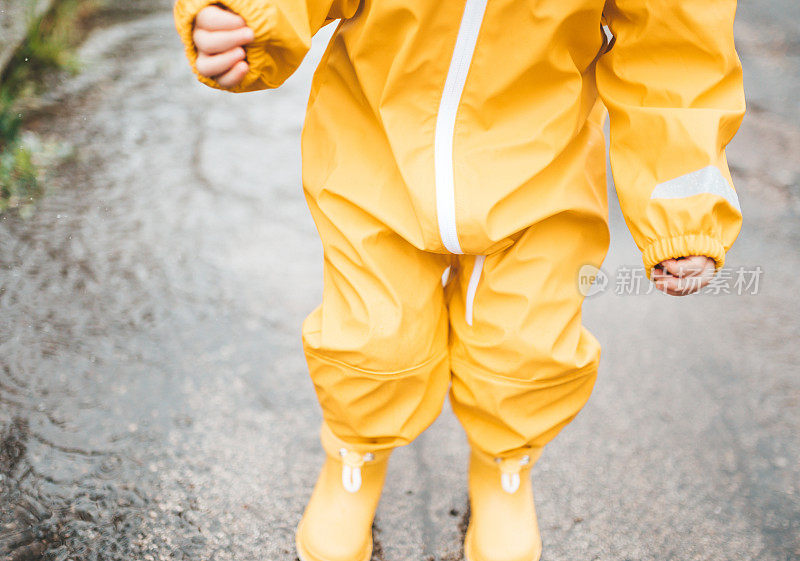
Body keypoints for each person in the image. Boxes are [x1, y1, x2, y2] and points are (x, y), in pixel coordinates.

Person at [173, 1, 745, 560]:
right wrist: (250, 16)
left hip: (544, 164)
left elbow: (676, 53)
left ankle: (505, 467)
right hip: (377, 142)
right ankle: (356, 457)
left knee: (528, 342)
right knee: (374, 334)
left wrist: (684, 211)